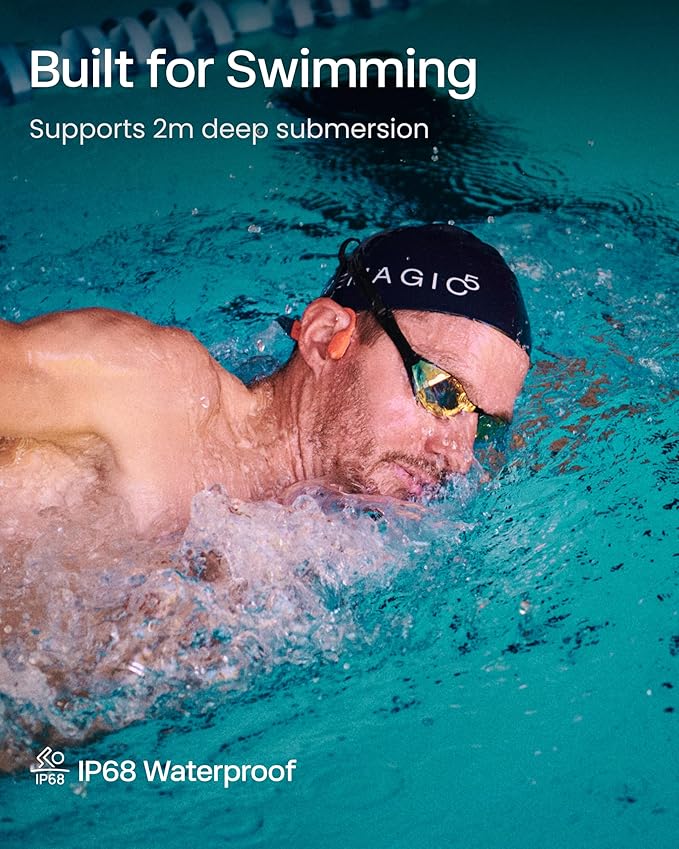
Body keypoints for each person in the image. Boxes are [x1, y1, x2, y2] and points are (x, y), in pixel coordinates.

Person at [0, 224, 531, 540]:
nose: (458, 457)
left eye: (483, 424)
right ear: (325, 339)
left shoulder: (335, 536)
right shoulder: (150, 389)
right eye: (441, 391)